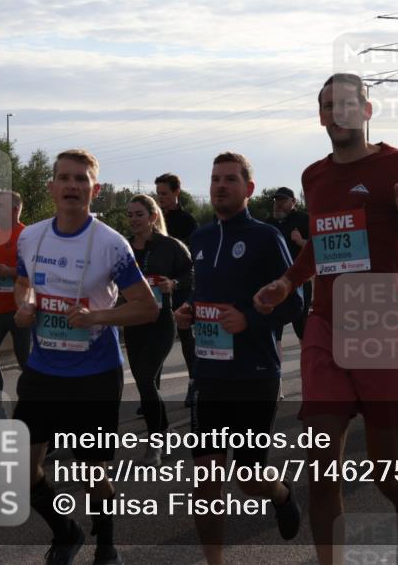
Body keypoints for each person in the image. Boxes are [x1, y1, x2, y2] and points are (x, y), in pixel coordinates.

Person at [252, 73, 398, 565]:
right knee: (321, 468)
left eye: (347, 102)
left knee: (387, 471)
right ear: (320, 116)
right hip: (326, 323)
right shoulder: (313, 177)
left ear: (365, 111)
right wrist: (287, 283)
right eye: (327, 104)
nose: (337, 111)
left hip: (382, 322)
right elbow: (322, 244)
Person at [12, 149, 159, 565]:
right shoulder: (30, 236)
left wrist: (99, 316)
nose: (73, 186)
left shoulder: (111, 245)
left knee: (93, 474)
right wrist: (24, 305)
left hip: (94, 374)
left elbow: (147, 308)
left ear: (94, 189)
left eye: (82, 179)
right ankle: (66, 531)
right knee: (21, 470)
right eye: (65, 178)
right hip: (42, 371)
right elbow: (23, 283)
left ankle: (107, 540)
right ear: (51, 187)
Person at [172, 153, 303, 563]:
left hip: (254, 373)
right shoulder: (201, 238)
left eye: (230, 179)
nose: (220, 186)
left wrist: (246, 320)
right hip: (209, 375)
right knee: (206, 481)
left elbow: (293, 303)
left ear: (248, 189)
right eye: (214, 179)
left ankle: (279, 492)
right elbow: (201, 294)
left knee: (247, 478)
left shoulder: (267, 238)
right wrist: (188, 311)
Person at [124, 194, 193, 465]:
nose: (133, 220)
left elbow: (193, 274)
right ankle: (163, 428)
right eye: (129, 215)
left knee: (143, 377)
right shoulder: (124, 248)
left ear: (153, 217)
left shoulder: (170, 246)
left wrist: (173, 284)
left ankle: (155, 443)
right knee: (145, 382)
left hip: (161, 322)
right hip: (132, 322)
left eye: (138, 214)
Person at [0, 190, 30, 417]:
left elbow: (38, 270)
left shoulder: (28, 235)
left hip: (19, 309)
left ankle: (32, 404)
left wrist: (11, 271)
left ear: (14, 210)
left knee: (25, 361)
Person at [154, 172, 199, 408]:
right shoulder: (153, 220)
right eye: (158, 194)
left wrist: (178, 282)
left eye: (164, 193)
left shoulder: (187, 221)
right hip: (158, 291)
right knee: (157, 338)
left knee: (186, 339)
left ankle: (194, 384)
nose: (160, 198)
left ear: (176, 193)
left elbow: (193, 262)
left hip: (181, 288)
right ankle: (153, 392)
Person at [265, 186, 311, 341]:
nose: (278, 204)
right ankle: (274, 365)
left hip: (299, 281)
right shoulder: (268, 224)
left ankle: (307, 364)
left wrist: (300, 241)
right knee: (273, 330)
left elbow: (319, 248)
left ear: (293, 202)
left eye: (283, 200)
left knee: (302, 328)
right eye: (276, 200)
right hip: (274, 282)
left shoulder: (304, 220)